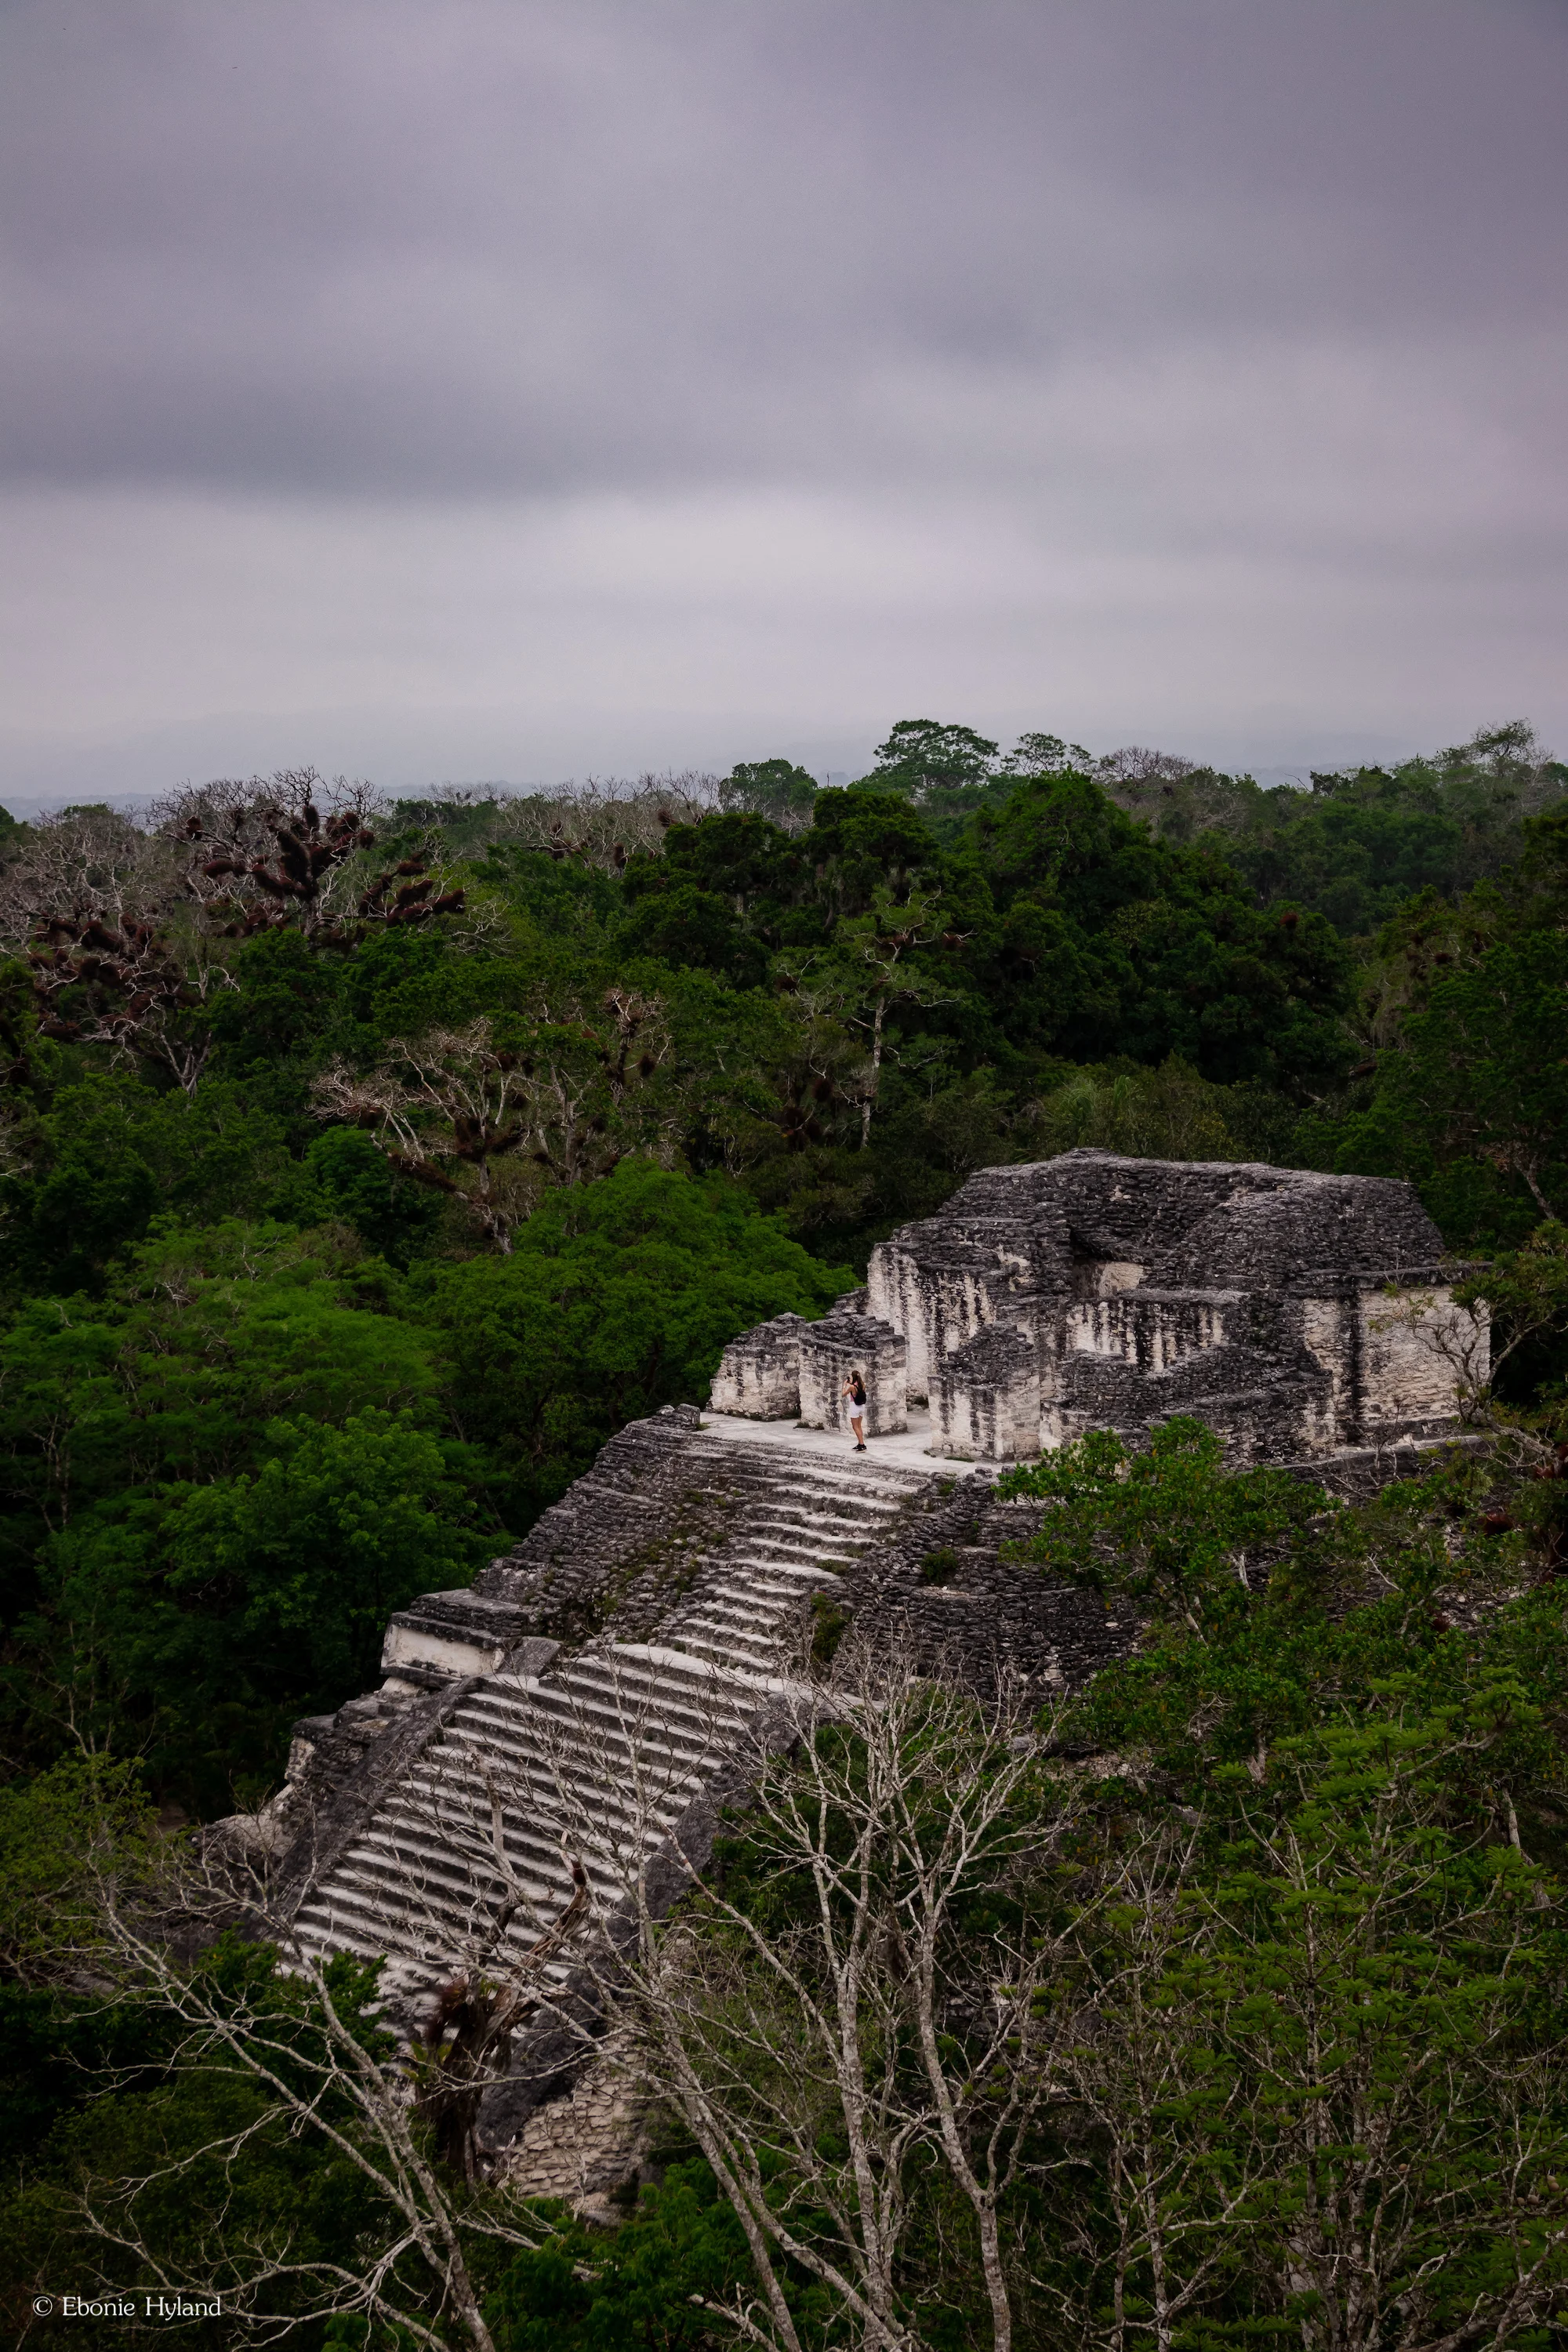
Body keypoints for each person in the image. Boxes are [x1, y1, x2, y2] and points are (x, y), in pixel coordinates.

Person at [843, 1370, 868, 1451]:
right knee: (859, 1426)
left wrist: (844, 1386)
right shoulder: (863, 1385)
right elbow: (856, 1388)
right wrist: (850, 1384)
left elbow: (843, 1394)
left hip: (855, 1407)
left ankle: (862, 1445)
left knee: (855, 1426)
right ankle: (860, 1443)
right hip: (862, 1407)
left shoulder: (851, 1387)